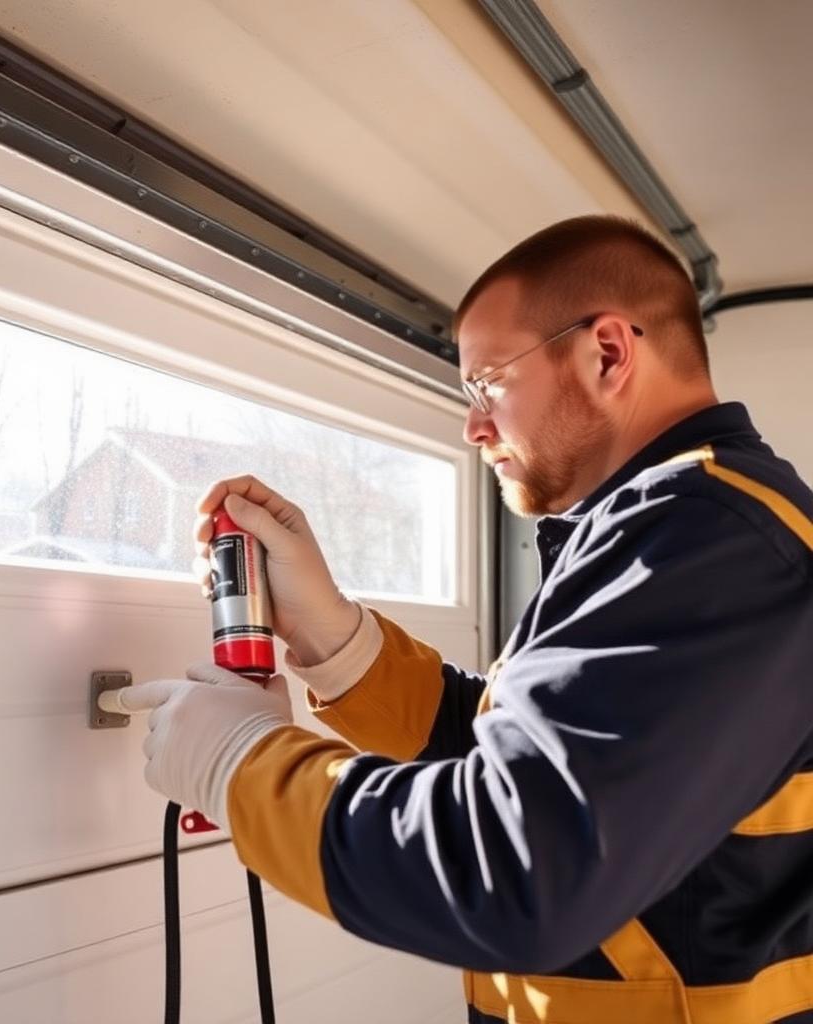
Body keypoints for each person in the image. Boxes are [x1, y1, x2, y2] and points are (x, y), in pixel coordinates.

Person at [122, 216, 813, 1023]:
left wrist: (241, 763)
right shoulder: (684, 528)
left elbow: (521, 869)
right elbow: (538, 761)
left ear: (608, 353)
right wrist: (333, 638)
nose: (472, 428)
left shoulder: (709, 539)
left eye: (487, 384)